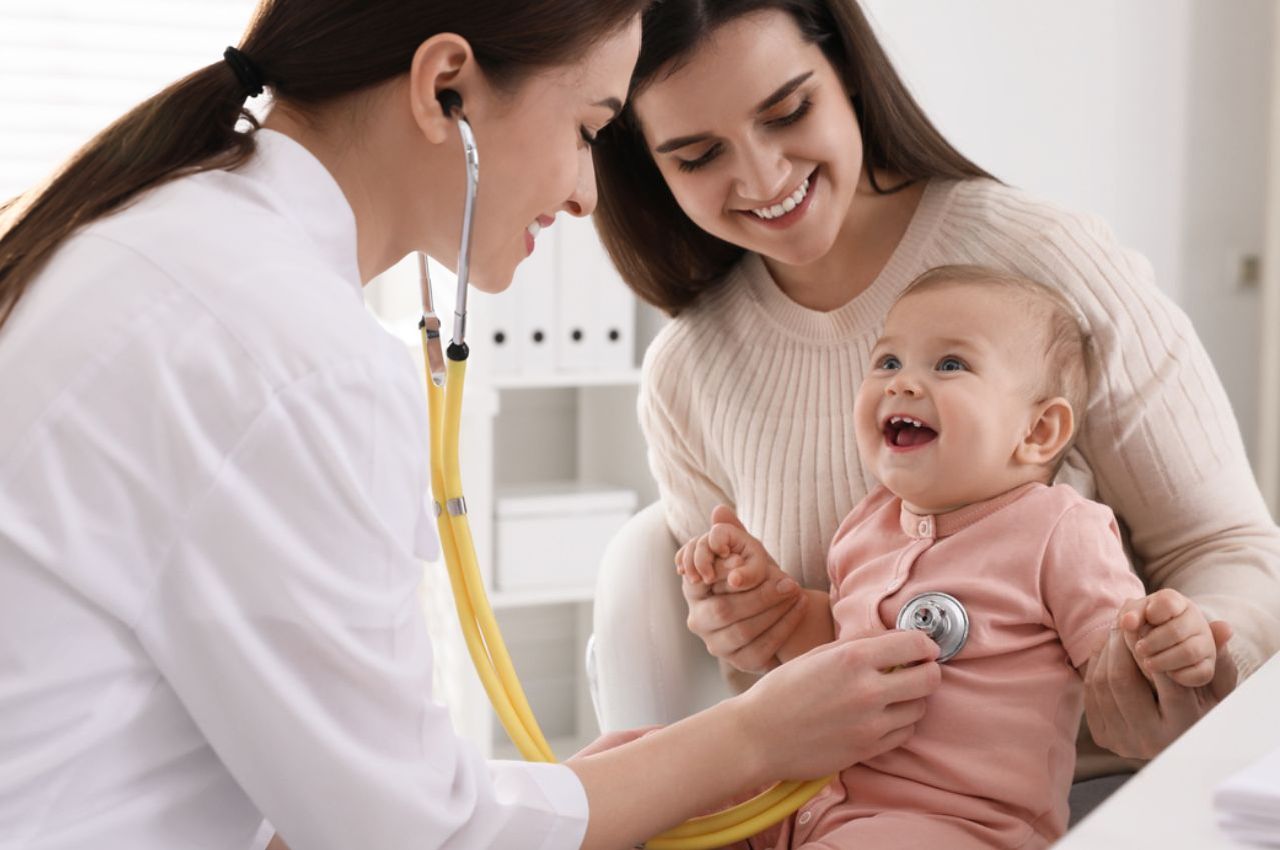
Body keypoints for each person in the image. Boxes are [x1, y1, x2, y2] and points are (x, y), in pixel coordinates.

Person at [0, 3, 947, 849]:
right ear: (445, 86)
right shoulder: (289, 352)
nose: (586, 193)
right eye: (588, 131)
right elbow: (418, 837)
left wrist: (584, 791)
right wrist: (754, 736)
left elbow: (321, 787)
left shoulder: (184, 238)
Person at [592, 0, 1280, 780]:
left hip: (1093, 794)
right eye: (696, 155)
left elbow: (1227, 548)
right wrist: (744, 629)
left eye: (788, 111)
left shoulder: (1044, 260)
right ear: (648, 167)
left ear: (845, 72)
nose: (762, 176)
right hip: (844, 811)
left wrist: (1191, 656)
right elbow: (774, 684)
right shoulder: (688, 372)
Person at [676, 265, 1220, 848]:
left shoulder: (1059, 531)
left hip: (953, 825)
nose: (901, 384)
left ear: (1038, 430)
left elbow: (1121, 673)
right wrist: (769, 603)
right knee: (651, 777)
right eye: (888, 361)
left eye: (950, 365)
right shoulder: (868, 524)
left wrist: (1165, 647)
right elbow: (838, 649)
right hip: (802, 800)